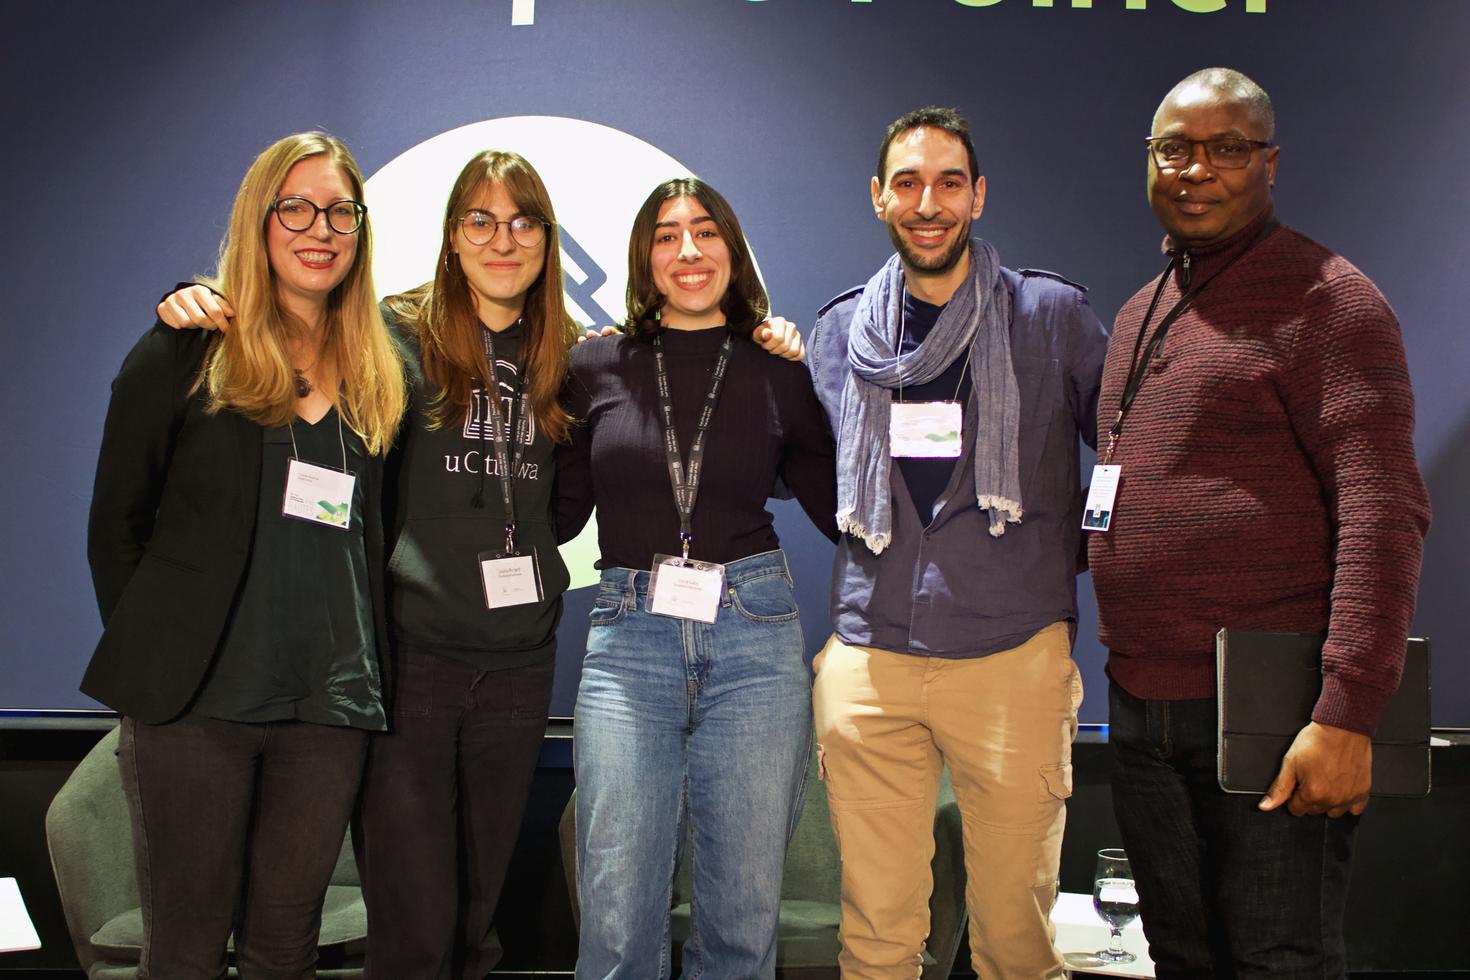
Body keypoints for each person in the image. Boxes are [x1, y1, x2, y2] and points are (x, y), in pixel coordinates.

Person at [155, 156, 807, 979]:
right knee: (416, 923)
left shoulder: (573, 353)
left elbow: (577, 489)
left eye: (524, 222)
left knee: (475, 915)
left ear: (547, 241)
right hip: (412, 658)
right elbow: (297, 325)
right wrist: (200, 296)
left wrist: (771, 336)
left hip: (519, 662)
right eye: (481, 221)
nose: (504, 240)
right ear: (452, 237)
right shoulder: (392, 333)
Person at [1088, 68, 1430, 978]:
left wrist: (1347, 714)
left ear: (1269, 163)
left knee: (1279, 960)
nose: (1196, 169)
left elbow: (1384, 513)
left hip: (1273, 709)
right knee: (1181, 957)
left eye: (1227, 149)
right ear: (1149, 160)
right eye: (1175, 149)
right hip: (1140, 707)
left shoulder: (1330, 300)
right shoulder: (1141, 311)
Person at [84, 131, 405, 976]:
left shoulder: (383, 366)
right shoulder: (186, 348)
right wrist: (159, 653)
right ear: (258, 219)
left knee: (284, 948)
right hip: (197, 710)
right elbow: (116, 525)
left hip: (330, 707)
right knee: (186, 950)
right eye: (295, 208)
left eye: (340, 212)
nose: (320, 229)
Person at [806, 106, 1108, 979]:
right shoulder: (839, 333)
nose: (927, 203)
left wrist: (1072, 554)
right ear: (879, 197)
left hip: (1011, 655)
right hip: (871, 658)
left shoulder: (1050, 317)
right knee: (874, 940)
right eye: (907, 183)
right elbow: (805, 467)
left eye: (948, 183)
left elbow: (1132, 453)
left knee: (1015, 943)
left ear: (978, 195)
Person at [557, 176, 837, 979]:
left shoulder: (777, 369)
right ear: (644, 258)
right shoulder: (594, 363)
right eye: (667, 235)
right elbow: (556, 513)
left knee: (742, 916)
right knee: (616, 913)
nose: (689, 250)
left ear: (732, 251)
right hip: (628, 643)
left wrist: (816, 375)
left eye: (706, 231)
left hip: (754, 637)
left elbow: (843, 510)